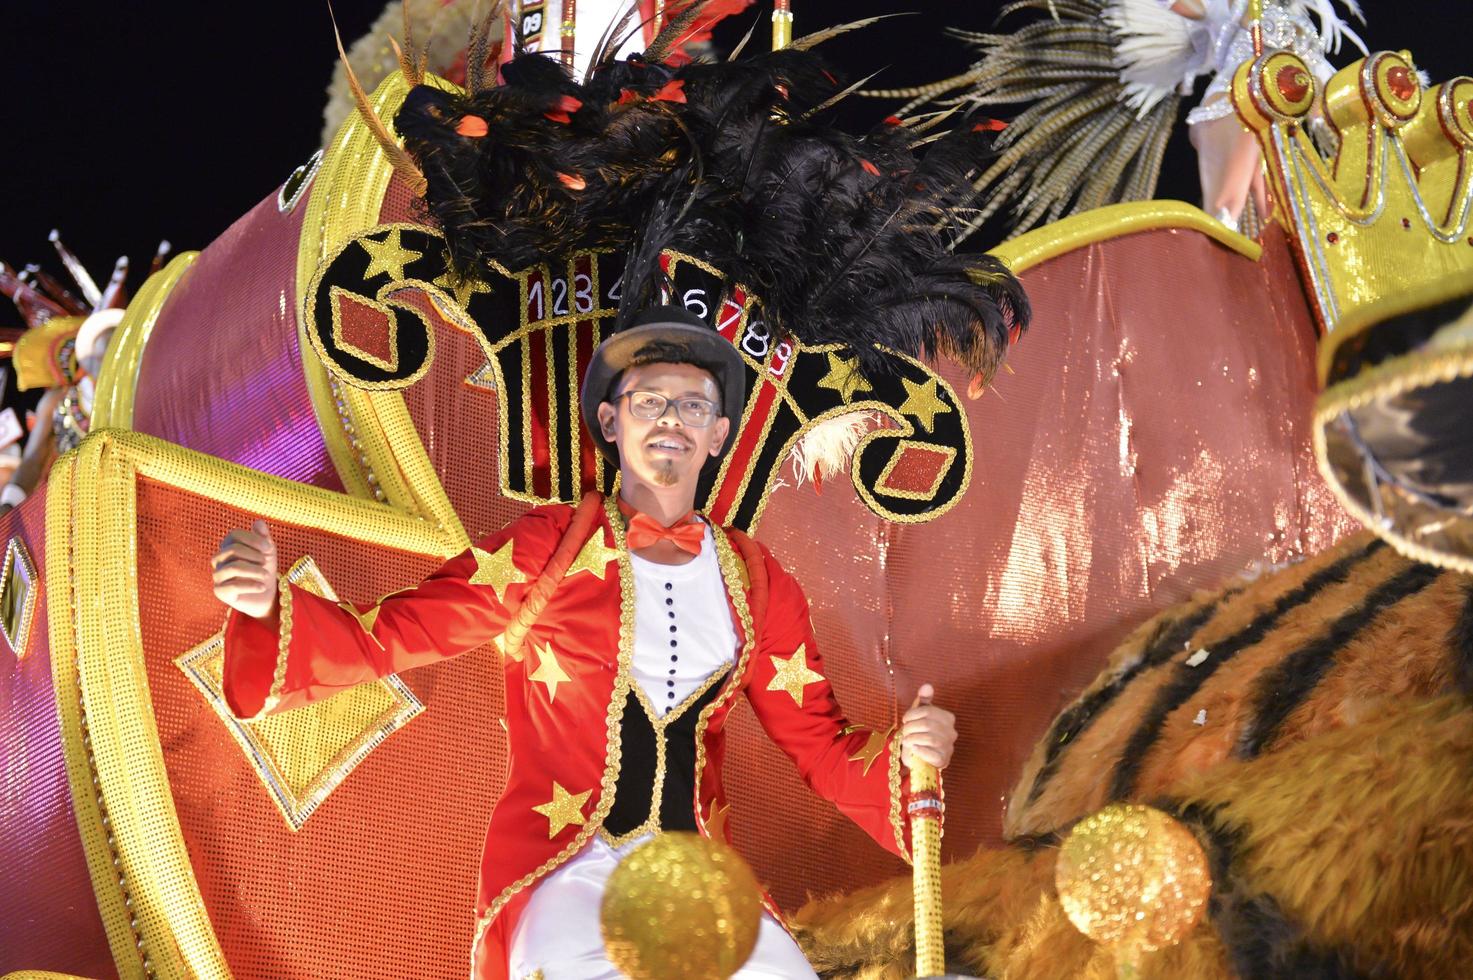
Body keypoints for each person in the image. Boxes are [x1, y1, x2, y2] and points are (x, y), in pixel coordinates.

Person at [212, 306, 959, 980]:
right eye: (649, 401)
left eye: (693, 405)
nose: (671, 418)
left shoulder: (760, 583)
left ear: (718, 434)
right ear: (611, 422)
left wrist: (910, 759)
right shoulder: (552, 548)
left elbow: (820, 745)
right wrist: (267, 606)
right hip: (563, 870)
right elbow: (398, 635)